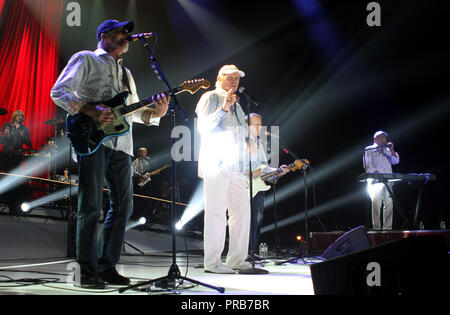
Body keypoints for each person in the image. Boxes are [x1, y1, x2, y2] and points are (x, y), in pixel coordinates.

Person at [51, 19, 169, 288]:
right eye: (121, 32)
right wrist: (92, 111)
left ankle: (107, 266)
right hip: (92, 140)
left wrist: (156, 113)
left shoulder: (126, 73)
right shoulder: (86, 59)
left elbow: (135, 111)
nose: (127, 36)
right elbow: (59, 91)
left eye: (128, 33)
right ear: (104, 35)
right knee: (90, 206)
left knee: (124, 206)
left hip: (123, 146)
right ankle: (86, 270)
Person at [195, 64, 253, 274]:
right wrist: (223, 109)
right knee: (216, 212)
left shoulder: (237, 102)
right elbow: (203, 127)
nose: (235, 82)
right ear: (219, 79)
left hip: (234, 163)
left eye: (237, 78)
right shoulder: (210, 96)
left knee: (242, 212)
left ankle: (237, 259)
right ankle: (212, 263)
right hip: (215, 161)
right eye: (230, 78)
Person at [244, 113, 289, 260]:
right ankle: (242, 253)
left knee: (257, 220)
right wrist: (257, 172)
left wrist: (279, 172)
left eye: (261, 124)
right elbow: (241, 168)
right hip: (243, 187)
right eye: (257, 124)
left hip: (258, 188)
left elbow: (265, 169)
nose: (260, 128)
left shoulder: (259, 146)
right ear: (246, 126)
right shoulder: (241, 143)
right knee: (244, 221)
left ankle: (251, 252)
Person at [364, 130, 399, 230]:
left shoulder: (387, 150)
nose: (384, 139)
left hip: (388, 180)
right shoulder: (369, 149)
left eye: (385, 137)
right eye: (381, 137)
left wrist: (391, 149)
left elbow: (396, 161)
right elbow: (368, 165)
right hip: (376, 181)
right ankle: (376, 228)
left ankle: (387, 228)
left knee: (389, 204)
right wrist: (376, 174)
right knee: (376, 204)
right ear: (375, 139)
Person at [131, 147, 153, 222]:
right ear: (139, 153)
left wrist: (155, 173)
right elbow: (132, 171)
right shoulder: (136, 162)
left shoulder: (149, 160)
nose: (145, 153)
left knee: (147, 200)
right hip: (139, 183)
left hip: (147, 183)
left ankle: (146, 218)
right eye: (143, 152)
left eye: (145, 152)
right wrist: (140, 175)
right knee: (138, 200)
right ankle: (136, 217)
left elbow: (151, 170)